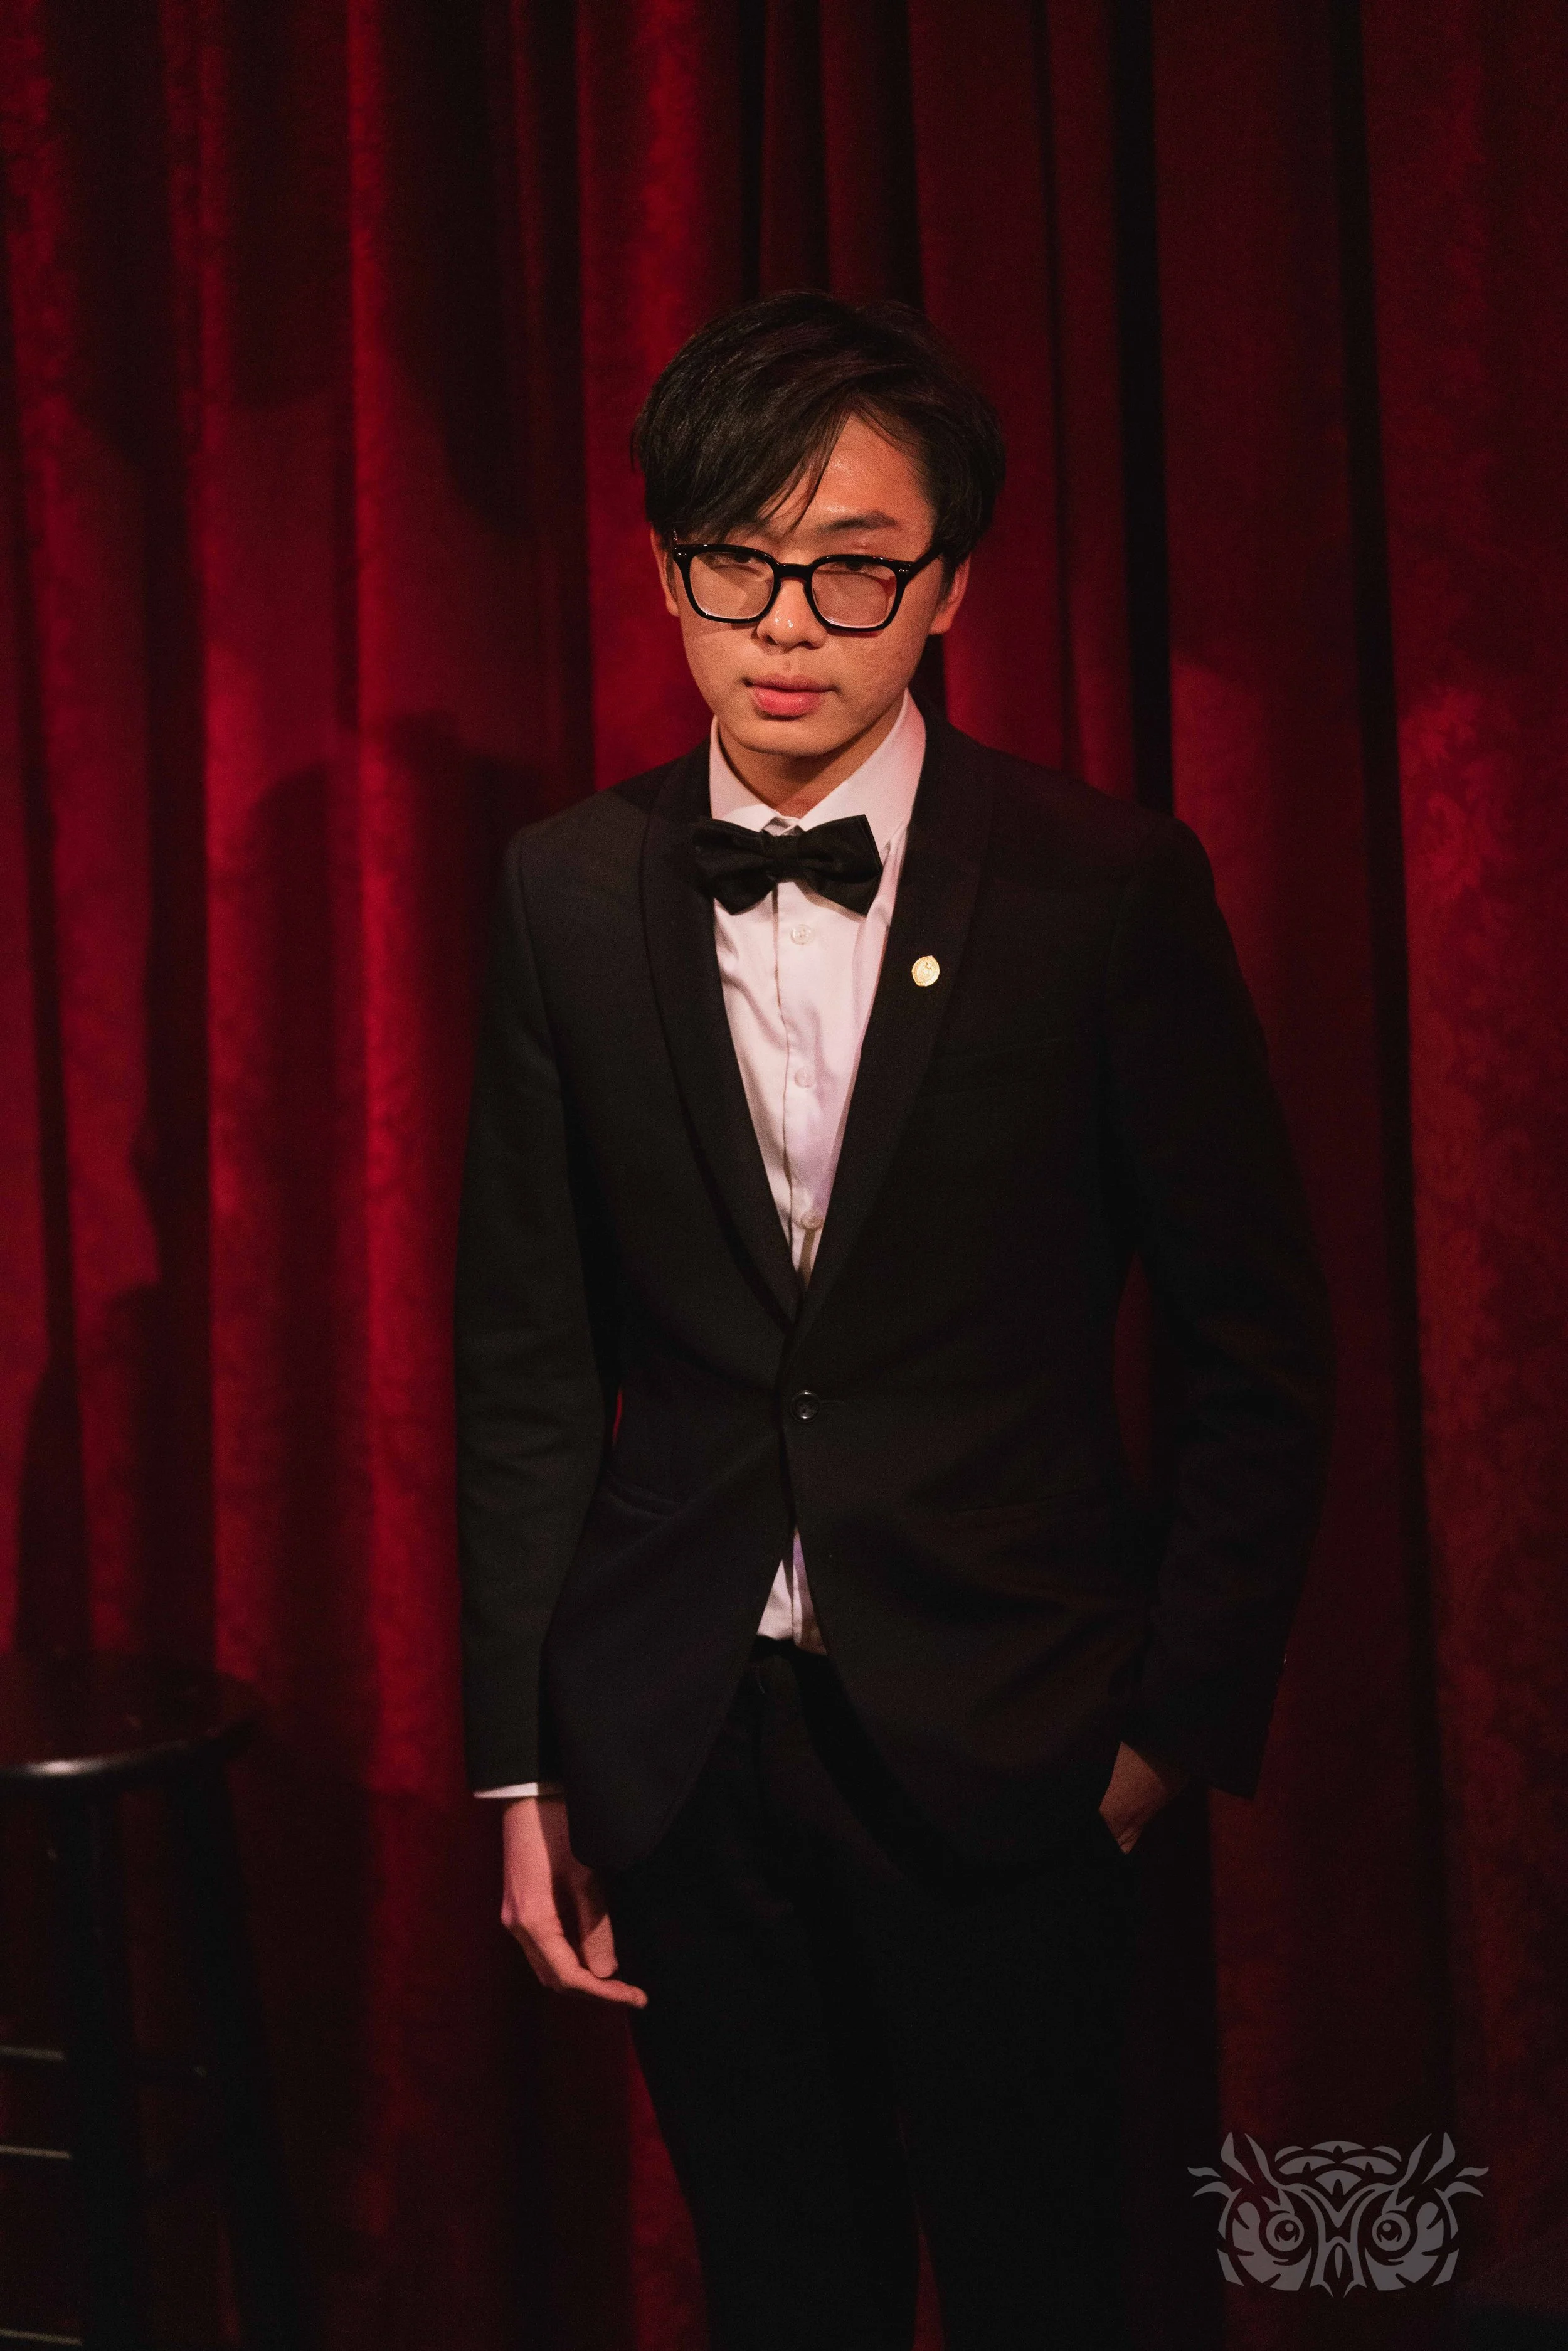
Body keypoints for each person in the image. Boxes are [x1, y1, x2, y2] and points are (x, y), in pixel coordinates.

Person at [455, 290, 1333, 2350]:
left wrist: (1159, 1734)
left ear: (944, 587)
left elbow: (1257, 1342)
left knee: (1052, 2282)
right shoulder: (565, 891)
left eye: (852, 565)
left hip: (1018, 1738)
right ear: (665, 568)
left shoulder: (1100, 888)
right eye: (735, 559)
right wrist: (523, 1771)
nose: (787, 619)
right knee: (784, 2288)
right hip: (682, 1745)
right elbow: (524, 1361)